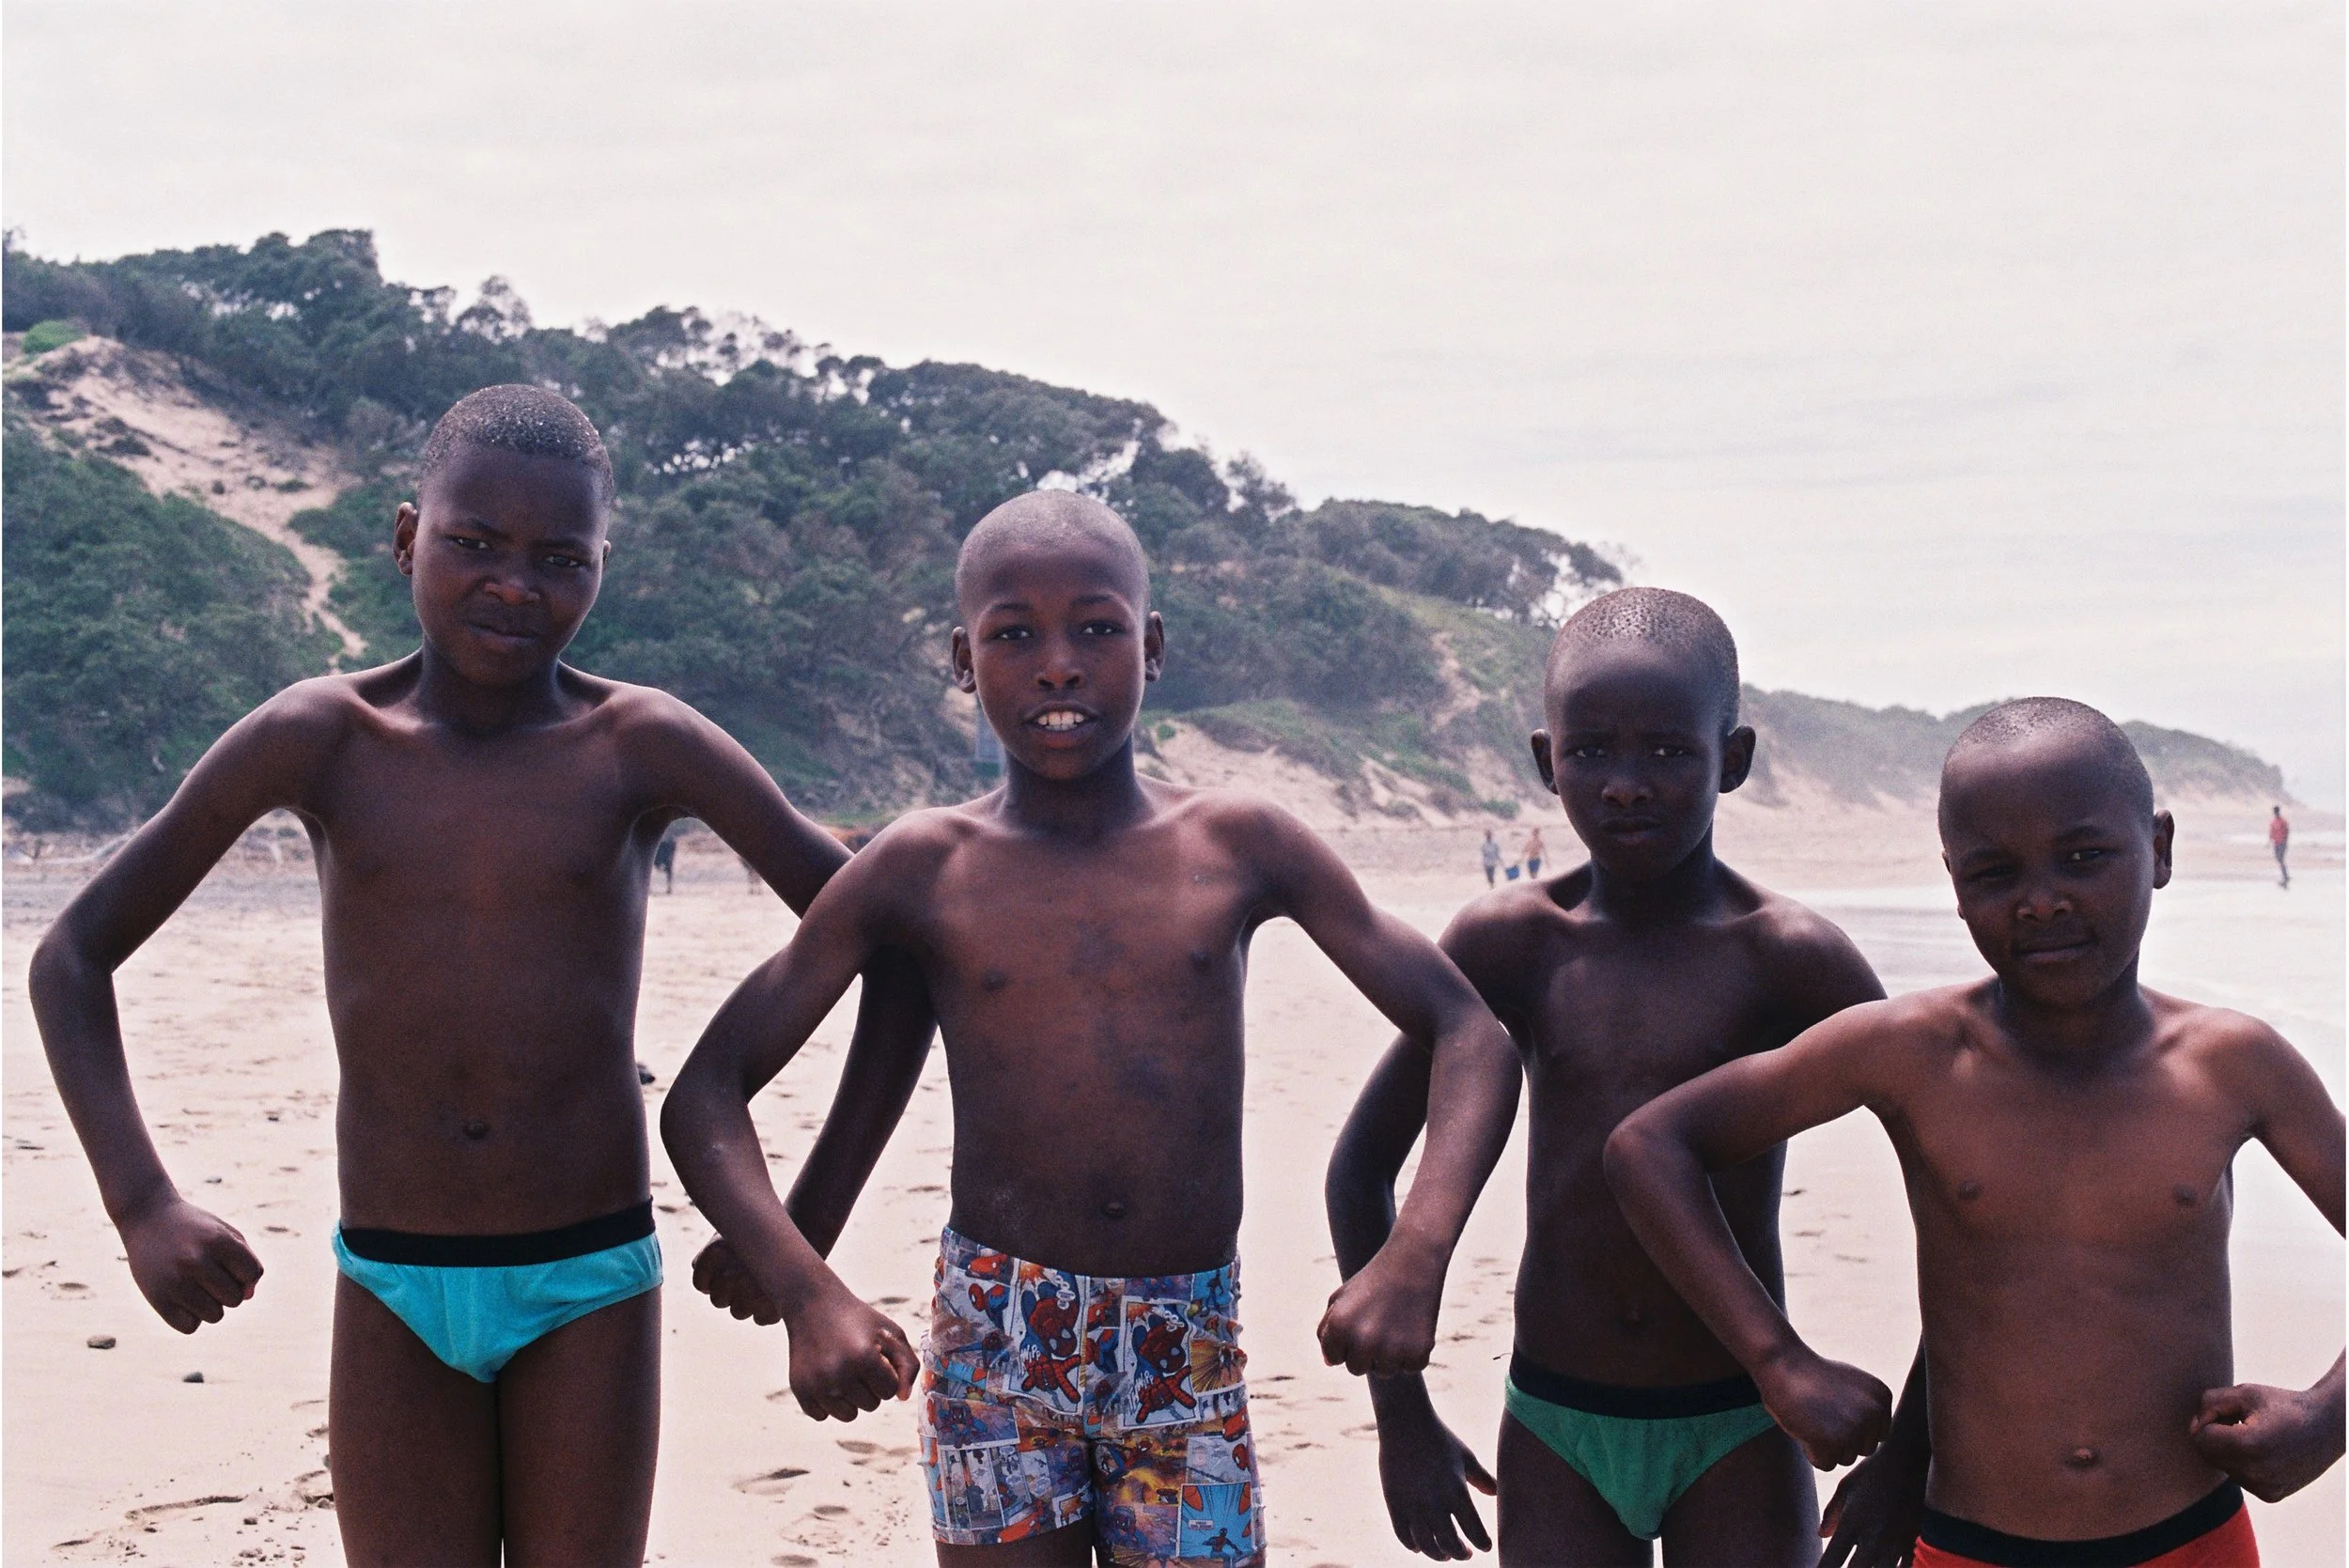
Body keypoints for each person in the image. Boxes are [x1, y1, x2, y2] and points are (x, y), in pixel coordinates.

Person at [27, 385, 933, 1568]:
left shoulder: (640, 745)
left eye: (560, 556)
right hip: (391, 1277)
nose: (516, 581)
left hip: (587, 1279)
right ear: (407, 536)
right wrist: (140, 1201)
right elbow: (73, 954)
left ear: (603, 568)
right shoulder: (321, 737)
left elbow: (894, 960)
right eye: (474, 543)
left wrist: (801, 1236)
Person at [659, 489, 1519, 1567]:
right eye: (1013, 633)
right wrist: (804, 1288)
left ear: (1151, 645)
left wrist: (1417, 1253)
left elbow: (1469, 1033)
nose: (1057, 663)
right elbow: (705, 1092)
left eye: (1097, 628)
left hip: (1184, 1347)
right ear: (963, 661)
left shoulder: (1239, 844)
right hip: (995, 1345)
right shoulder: (923, 865)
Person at [1606, 698, 2345, 1567]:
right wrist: (1779, 1361)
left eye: (2084, 857)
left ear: (2160, 850)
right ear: (1954, 883)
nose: (2041, 901)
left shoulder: (2233, 1064)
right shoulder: (1911, 1051)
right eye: (1996, 873)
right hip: (1972, 1543)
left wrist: (2331, 1416)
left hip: (2191, 1537)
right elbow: (1650, 1146)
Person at [1319, 588, 1907, 1566]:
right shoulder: (1509, 943)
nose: (1626, 783)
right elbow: (1358, 1170)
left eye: (1669, 752)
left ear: (1735, 760)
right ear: (1548, 762)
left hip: (1743, 1418)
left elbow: (1955, 1181)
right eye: (1591, 751)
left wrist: (1914, 1450)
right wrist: (1402, 1418)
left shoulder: (1787, 956)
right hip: (1557, 1421)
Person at [2269, 805, 2290, 889]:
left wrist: (2285, 840)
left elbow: (2287, 831)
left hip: (2282, 843)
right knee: (2278, 859)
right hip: (2276, 843)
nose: (2276, 813)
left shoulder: (2283, 821)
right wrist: (2270, 840)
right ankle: (2285, 875)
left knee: (2280, 859)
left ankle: (2285, 876)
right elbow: (2271, 831)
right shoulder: (2273, 822)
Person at [653, 829, 677, 893]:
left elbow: (672, 851)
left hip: (663, 856)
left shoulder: (671, 841)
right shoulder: (671, 840)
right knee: (669, 871)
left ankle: (669, 887)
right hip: (661, 855)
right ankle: (669, 887)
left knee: (668, 870)